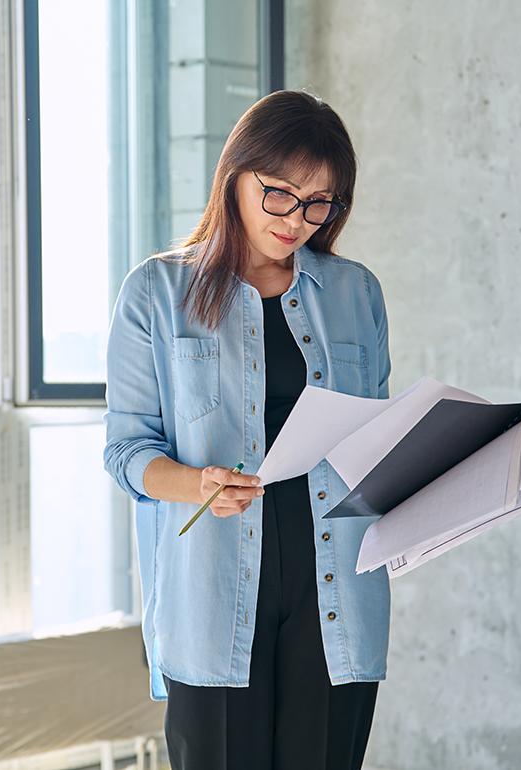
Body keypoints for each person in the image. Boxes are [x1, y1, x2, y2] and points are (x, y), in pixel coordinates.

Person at [102, 89, 393, 770]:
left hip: (336, 595)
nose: (298, 219)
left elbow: (378, 438)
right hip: (211, 596)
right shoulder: (156, 293)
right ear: (236, 175)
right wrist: (195, 481)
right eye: (281, 194)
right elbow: (125, 450)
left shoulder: (357, 293)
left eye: (320, 202)